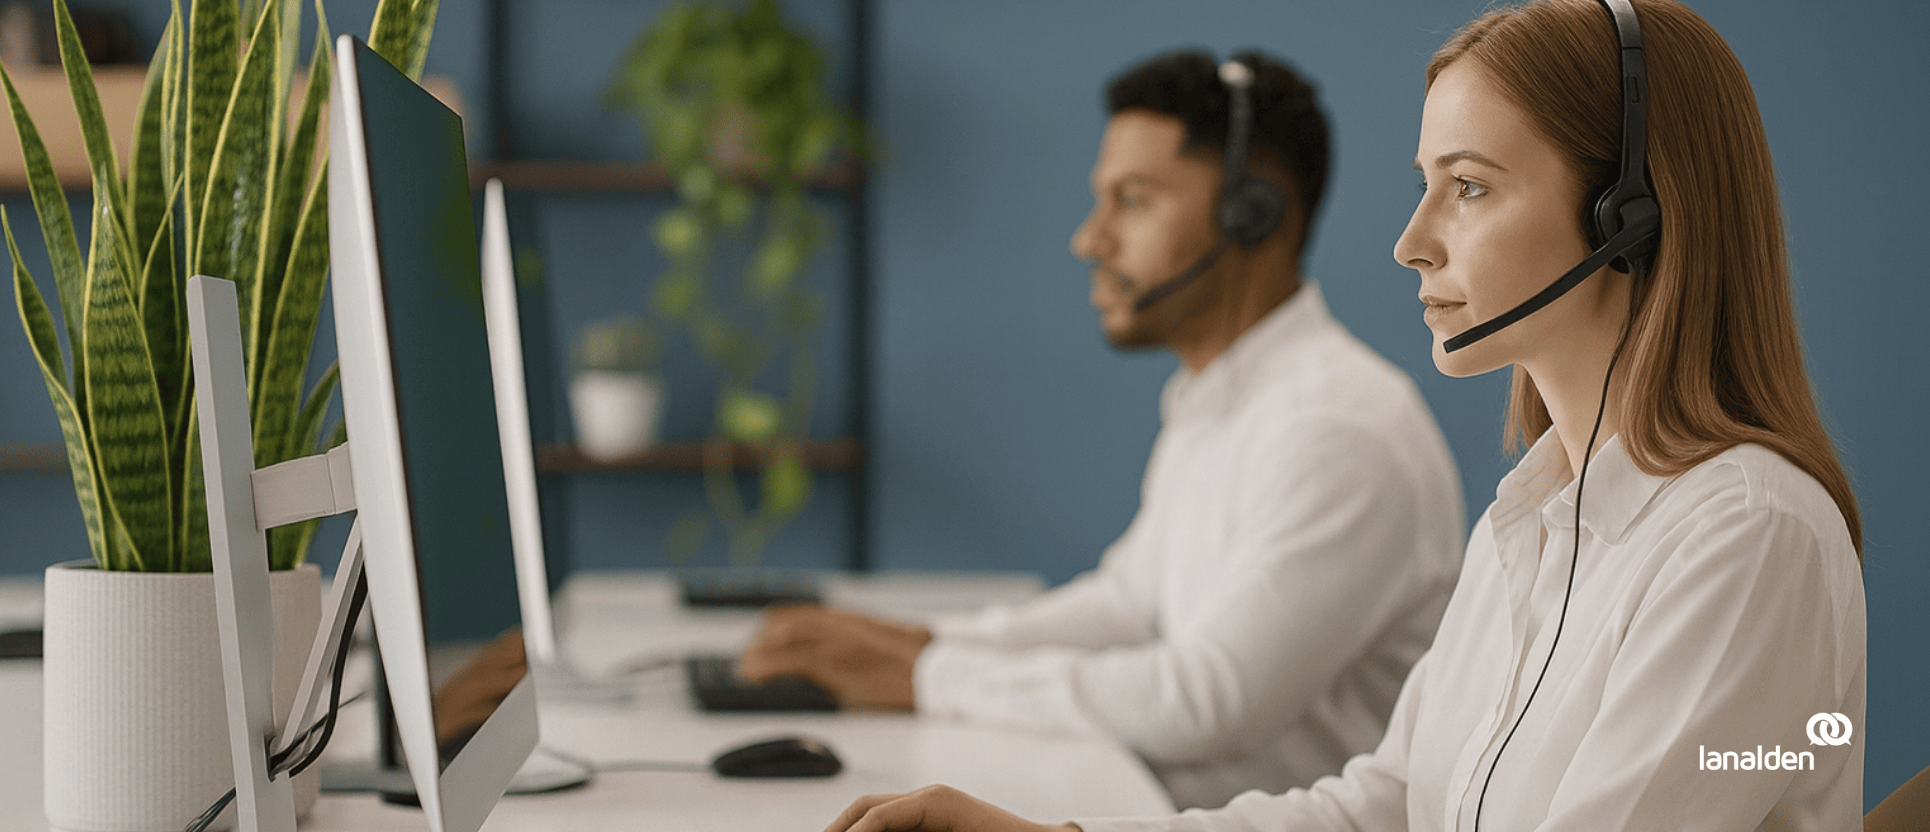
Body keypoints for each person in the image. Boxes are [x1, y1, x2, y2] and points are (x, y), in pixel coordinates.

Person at [818, 0, 1867, 830]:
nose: (1410, 241)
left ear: (1625, 215)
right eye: (1424, 185)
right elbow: (1383, 806)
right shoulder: (1537, 520)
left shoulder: (1743, 533)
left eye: (1467, 188)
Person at [739, 50, 1467, 810]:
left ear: (1254, 211)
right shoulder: (1222, 399)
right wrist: (921, 645)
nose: (1091, 239)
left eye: (1134, 200)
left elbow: (1205, 699)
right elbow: (1127, 605)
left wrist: (929, 677)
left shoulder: (1338, 429)